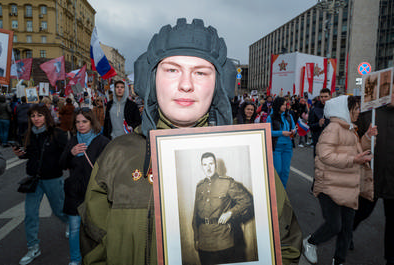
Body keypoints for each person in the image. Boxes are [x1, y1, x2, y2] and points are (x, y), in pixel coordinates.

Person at [79, 18, 302, 265]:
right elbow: (93, 243)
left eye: (200, 72)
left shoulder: (249, 156)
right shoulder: (117, 156)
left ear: (218, 85)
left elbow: (286, 246)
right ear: (150, 79)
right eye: (172, 70)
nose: (186, 85)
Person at [302, 95, 377, 265]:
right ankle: (311, 242)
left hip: (349, 186)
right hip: (329, 185)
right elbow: (325, 155)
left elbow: (358, 151)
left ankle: (339, 260)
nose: (359, 111)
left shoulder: (350, 129)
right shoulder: (333, 128)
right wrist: (353, 160)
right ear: (345, 110)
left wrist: (369, 137)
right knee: (335, 225)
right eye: (356, 108)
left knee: (347, 229)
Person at [13, 104, 68, 265]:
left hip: (53, 179)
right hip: (34, 180)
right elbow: (29, 155)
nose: (36, 119)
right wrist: (20, 154)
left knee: (59, 210)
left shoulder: (58, 133)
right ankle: (33, 247)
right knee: (30, 214)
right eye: (33, 116)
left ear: (46, 116)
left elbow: (66, 154)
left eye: (39, 115)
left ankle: (70, 223)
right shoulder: (27, 134)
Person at [60, 108, 109, 265]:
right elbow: (61, 164)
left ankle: (96, 258)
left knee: (96, 229)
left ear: (91, 122)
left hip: (94, 193)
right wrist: (71, 153)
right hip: (75, 192)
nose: (81, 125)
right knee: (74, 229)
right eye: (78, 122)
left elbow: (109, 168)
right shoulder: (73, 140)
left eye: (84, 121)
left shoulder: (102, 142)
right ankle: (75, 259)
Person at [352, 91, 394, 265]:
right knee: (363, 211)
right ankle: (347, 233)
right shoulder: (370, 113)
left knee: (392, 221)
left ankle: (391, 258)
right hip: (373, 177)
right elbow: (356, 142)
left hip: (392, 180)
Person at [193, 152, 254, 265]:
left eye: (211, 163)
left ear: (215, 165)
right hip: (203, 242)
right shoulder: (199, 186)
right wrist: (196, 239)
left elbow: (246, 200)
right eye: (205, 164)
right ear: (201, 166)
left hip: (223, 240)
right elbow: (195, 217)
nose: (208, 167)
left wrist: (230, 213)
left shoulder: (227, 183)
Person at [267, 97, 296, 188]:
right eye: (283, 104)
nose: (285, 106)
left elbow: (294, 128)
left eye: (285, 104)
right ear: (277, 105)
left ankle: (283, 191)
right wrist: (282, 133)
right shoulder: (270, 117)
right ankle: (274, 191)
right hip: (276, 147)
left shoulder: (289, 116)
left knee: (285, 171)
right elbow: (268, 132)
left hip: (288, 147)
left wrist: (293, 131)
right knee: (277, 170)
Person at [308, 88, 331, 153]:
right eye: (321, 97)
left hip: (332, 142)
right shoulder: (314, 109)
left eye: (326, 96)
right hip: (319, 142)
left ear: (330, 97)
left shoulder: (334, 109)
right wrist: (319, 124)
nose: (323, 98)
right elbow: (310, 126)